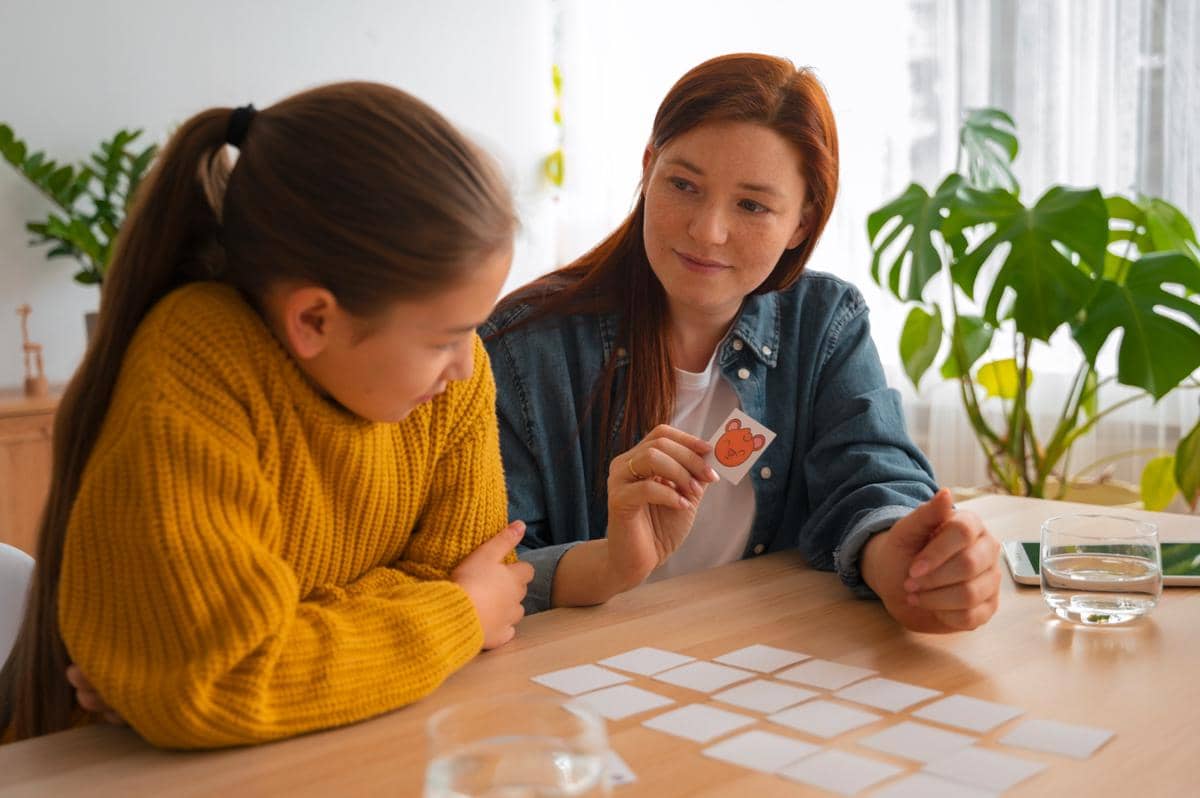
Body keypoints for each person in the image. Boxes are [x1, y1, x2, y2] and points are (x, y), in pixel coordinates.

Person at [0, 83, 532, 748]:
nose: (465, 364)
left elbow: (464, 572)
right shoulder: (197, 365)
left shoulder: (452, 377)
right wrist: (456, 618)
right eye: (443, 339)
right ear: (314, 319)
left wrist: (273, 653)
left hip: (347, 749)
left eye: (473, 329)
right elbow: (223, 681)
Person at [483, 54, 1001, 633]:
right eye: (683, 184)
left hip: (760, 658)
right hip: (583, 681)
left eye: (752, 205)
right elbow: (491, 570)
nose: (707, 231)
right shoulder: (523, 346)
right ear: (648, 168)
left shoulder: (824, 324)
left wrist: (903, 566)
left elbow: (868, 481)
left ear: (803, 222)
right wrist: (612, 563)